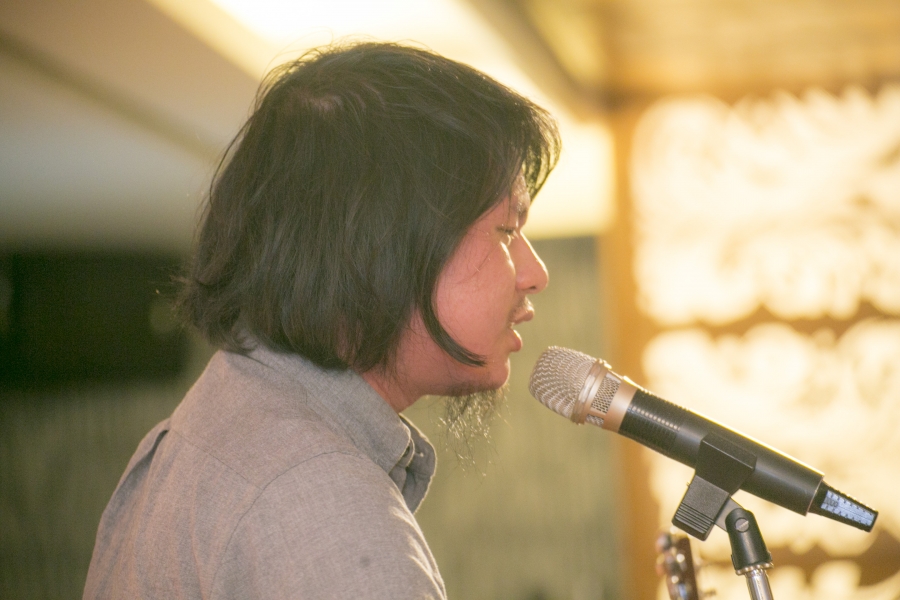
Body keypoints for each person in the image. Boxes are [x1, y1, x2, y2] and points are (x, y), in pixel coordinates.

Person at [84, 41, 559, 599]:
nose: (535, 273)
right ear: (383, 244)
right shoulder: (322, 505)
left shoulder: (218, 428)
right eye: (507, 230)